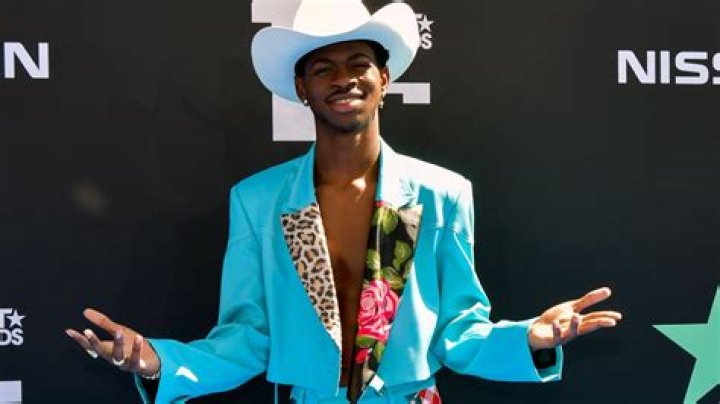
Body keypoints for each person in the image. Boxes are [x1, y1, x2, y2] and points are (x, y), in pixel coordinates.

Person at [66, 1, 623, 403]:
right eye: (323, 68)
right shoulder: (258, 201)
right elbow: (246, 340)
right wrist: (159, 362)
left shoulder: (444, 193)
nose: (344, 79)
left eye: (358, 62)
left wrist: (530, 338)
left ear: (384, 78)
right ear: (301, 88)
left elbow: (458, 332)